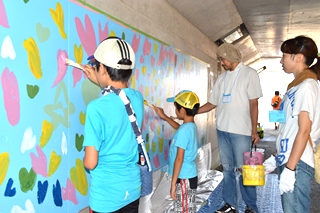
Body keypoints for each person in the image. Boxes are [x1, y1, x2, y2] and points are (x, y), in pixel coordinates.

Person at [198, 43, 263, 213]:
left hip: (241, 131)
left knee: (246, 170)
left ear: (231, 56)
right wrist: (193, 111)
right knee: (227, 169)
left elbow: (254, 103)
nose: (222, 63)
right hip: (223, 130)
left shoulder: (250, 74)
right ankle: (230, 204)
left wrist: (254, 130)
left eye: (222, 59)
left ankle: (251, 206)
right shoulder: (222, 78)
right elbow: (212, 103)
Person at [81, 37, 143, 213]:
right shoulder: (137, 98)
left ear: (103, 70)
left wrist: (85, 156)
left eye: (97, 65)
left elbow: (91, 163)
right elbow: (123, 97)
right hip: (131, 191)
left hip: (107, 198)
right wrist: (102, 80)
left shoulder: (95, 108)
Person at [276, 35, 320, 213]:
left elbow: (304, 130)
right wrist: (275, 157)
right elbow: (290, 128)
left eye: (285, 55)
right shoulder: (296, 86)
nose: (281, 60)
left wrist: (290, 168)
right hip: (290, 159)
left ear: (299, 57)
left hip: (297, 163)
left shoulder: (307, 86)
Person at [153, 90, 200, 213]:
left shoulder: (184, 131)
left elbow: (179, 159)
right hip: (188, 175)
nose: (175, 111)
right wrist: (164, 117)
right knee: (186, 209)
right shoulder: (190, 126)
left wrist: (173, 184)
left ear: (183, 111)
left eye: (176, 108)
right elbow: (179, 129)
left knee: (184, 210)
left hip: (184, 177)